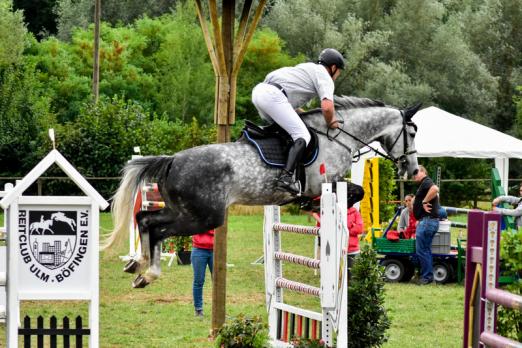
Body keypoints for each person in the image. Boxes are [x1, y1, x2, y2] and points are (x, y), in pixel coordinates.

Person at [251, 48, 345, 193]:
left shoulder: (307, 68)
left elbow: (289, 109)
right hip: (273, 96)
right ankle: (286, 177)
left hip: (260, 92)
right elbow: (327, 108)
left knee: (286, 133)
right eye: (338, 72)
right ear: (333, 68)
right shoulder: (324, 75)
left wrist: (306, 115)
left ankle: (271, 168)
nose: (337, 76)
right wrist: (331, 122)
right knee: (303, 135)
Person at [412, 165, 440, 285]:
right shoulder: (423, 184)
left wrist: (424, 201)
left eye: (415, 172)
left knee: (422, 250)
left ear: (423, 171)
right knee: (425, 250)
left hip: (427, 221)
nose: (413, 176)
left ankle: (427, 277)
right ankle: (428, 277)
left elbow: (435, 189)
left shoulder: (427, 181)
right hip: (427, 221)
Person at [191, 229, 214, 317]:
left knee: (218, 282)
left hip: (216, 249)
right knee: (198, 281)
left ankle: (219, 309)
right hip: (199, 250)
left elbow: (221, 230)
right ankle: (198, 309)